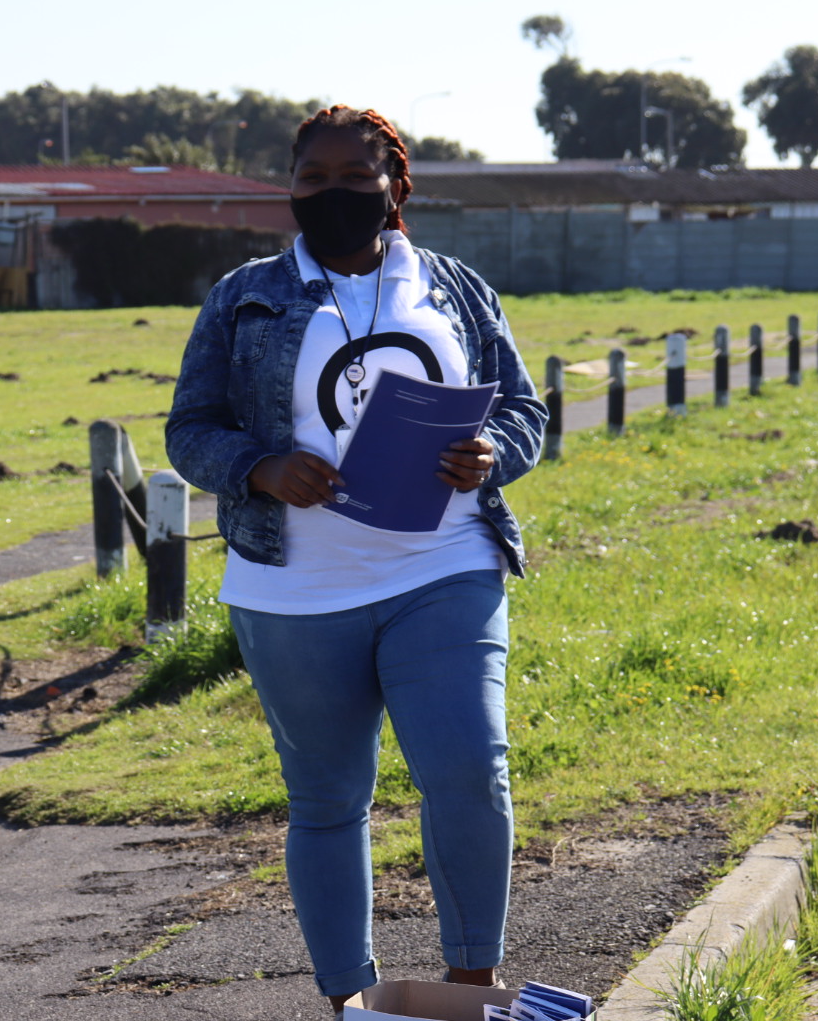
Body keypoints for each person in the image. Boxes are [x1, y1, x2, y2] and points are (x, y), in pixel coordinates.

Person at [165, 105, 547, 1014]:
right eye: (313, 179)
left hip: (444, 565)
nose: (333, 194)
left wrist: (493, 450)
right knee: (329, 801)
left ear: (396, 187)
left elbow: (526, 411)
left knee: (468, 769)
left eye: (353, 176)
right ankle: (353, 1004)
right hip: (294, 589)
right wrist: (257, 467)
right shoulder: (243, 294)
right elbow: (189, 429)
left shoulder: (453, 286)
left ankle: (470, 989)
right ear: (291, 189)